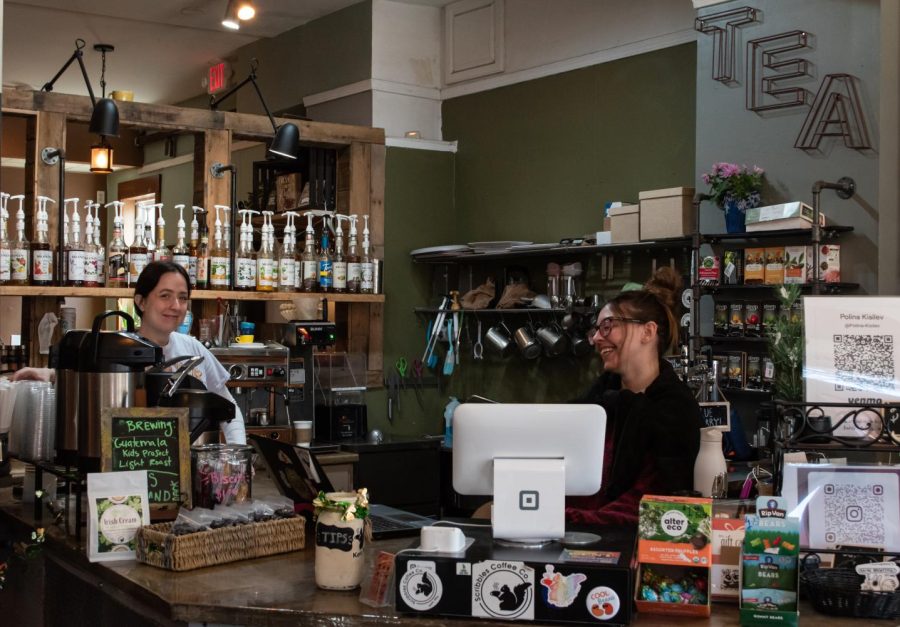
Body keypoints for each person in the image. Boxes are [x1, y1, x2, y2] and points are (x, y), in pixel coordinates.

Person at [13, 261, 246, 445]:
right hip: (131, 471)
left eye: (183, 298)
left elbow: (228, 406)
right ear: (141, 302)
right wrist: (52, 376)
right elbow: (91, 380)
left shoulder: (193, 348)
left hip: (193, 474)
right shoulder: (117, 349)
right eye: (165, 296)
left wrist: (237, 456)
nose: (176, 305)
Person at [565, 267, 702, 526]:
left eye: (608, 326)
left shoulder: (674, 410)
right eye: (596, 330)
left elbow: (655, 505)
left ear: (647, 332)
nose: (596, 338)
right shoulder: (598, 401)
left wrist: (567, 518)